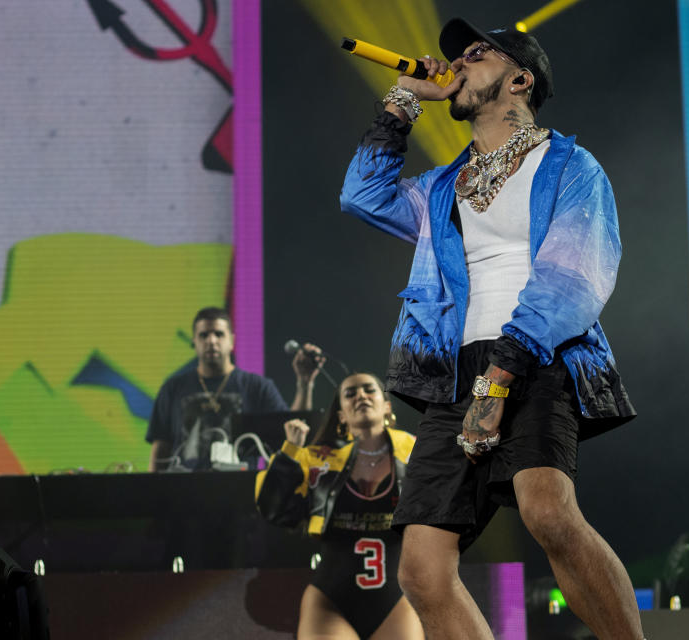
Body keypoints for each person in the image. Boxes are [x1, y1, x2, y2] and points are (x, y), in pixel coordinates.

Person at [339, 18, 644, 640]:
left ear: (520, 79)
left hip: (535, 358)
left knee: (547, 511)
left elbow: (574, 279)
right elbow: (362, 196)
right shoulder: (444, 185)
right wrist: (402, 101)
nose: (457, 65)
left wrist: (502, 375)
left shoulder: (569, 166)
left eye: (476, 55)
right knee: (422, 572)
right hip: (454, 372)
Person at [255, 372, 422, 640]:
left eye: (369, 390)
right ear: (342, 415)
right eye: (350, 393)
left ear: (386, 405)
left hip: (396, 598)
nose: (361, 396)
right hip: (331, 600)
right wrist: (290, 452)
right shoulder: (318, 459)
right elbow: (275, 511)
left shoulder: (416, 451)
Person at [146, 306, 323, 471]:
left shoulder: (257, 387)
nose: (211, 341)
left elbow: (292, 432)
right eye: (203, 335)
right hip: (184, 492)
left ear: (232, 341)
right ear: (194, 342)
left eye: (219, 334)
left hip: (240, 490)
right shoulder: (172, 388)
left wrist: (304, 384)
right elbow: (161, 449)